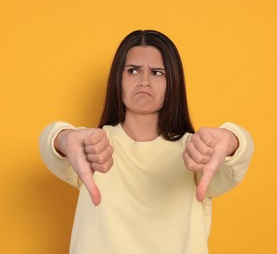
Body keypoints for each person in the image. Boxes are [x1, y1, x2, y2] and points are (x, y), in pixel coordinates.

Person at [39, 29, 254, 254]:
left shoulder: (195, 152)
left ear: (173, 83)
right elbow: (51, 144)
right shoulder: (94, 147)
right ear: (117, 80)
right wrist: (62, 138)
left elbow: (236, 161)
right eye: (133, 71)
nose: (144, 81)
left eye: (157, 73)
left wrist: (232, 141)